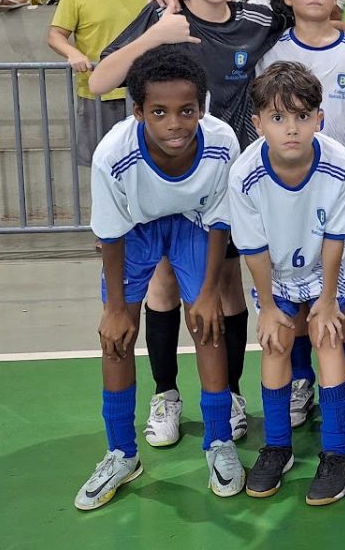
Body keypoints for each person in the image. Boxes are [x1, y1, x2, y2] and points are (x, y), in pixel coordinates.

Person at [91, 0, 286, 449]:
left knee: (224, 291)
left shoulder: (258, 17)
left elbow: (316, 13)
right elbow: (97, 81)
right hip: (159, 181)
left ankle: (232, 393)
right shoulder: (163, 13)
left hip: (222, 183)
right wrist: (158, 34)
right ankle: (166, 394)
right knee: (163, 286)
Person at [73, 46, 243, 511]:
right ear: (137, 112)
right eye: (160, 112)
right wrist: (114, 309)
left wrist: (208, 293)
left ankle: (218, 442)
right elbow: (109, 231)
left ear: (203, 109)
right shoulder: (114, 154)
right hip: (134, 230)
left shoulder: (223, 142)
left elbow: (221, 219)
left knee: (207, 324)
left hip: (194, 225)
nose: (175, 124)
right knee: (116, 337)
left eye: (187, 111)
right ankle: (121, 453)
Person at [254, 0, 345, 427]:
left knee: (342, 291)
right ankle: (303, 378)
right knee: (295, 288)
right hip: (291, 199)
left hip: (344, 196)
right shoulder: (274, 54)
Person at [230, 62, 345, 504]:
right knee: (276, 343)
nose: (291, 129)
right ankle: (278, 447)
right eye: (278, 118)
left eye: (303, 116)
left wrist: (326, 300)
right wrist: (266, 306)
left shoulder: (341, 165)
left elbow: (336, 238)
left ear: (319, 119)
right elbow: (253, 248)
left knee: (327, 339)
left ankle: (338, 450)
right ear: (258, 123)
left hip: (324, 268)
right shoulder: (244, 174)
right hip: (276, 272)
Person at [47, 0, 154, 167]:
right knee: (101, 164)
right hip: (97, 92)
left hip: (140, 92)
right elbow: (55, 35)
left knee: (144, 164)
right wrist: (73, 52)